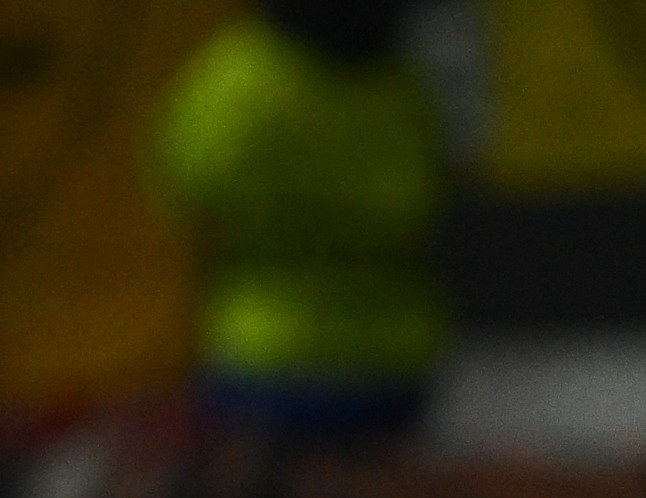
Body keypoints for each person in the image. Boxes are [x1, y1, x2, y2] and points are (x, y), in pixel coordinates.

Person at [152, 0, 451, 435]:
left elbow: (184, 181)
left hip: (267, 349)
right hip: (391, 352)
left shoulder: (243, 72)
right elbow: (432, 193)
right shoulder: (402, 82)